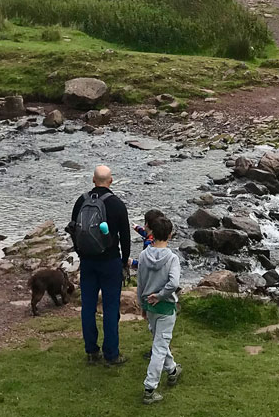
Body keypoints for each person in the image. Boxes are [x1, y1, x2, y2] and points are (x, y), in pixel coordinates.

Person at [67, 165, 131, 366]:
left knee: (88, 307)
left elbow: (74, 230)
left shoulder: (81, 201)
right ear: (111, 181)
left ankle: (91, 351)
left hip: (87, 262)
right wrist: (124, 263)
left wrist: (80, 253)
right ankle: (112, 355)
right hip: (110, 262)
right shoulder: (117, 205)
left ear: (93, 180)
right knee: (111, 309)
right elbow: (126, 239)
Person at [136, 210, 182, 404]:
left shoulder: (144, 255)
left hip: (149, 305)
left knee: (159, 340)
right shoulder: (172, 259)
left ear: (151, 233)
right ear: (170, 235)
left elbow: (140, 282)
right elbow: (173, 283)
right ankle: (150, 388)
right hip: (165, 307)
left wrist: (142, 304)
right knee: (160, 347)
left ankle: (172, 370)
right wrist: (161, 295)